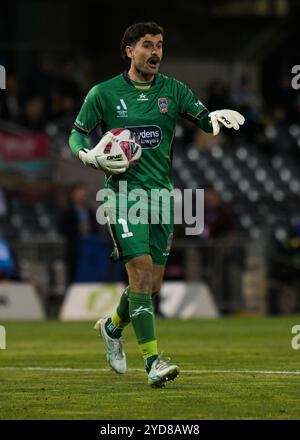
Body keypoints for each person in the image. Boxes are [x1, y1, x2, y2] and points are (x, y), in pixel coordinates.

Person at [69, 22, 244, 387]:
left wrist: (214, 120)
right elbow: (76, 133)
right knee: (142, 276)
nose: (155, 52)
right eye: (147, 45)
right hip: (124, 197)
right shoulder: (103, 93)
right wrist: (86, 156)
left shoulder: (174, 90)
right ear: (129, 50)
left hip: (162, 197)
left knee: (152, 285)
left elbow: (204, 120)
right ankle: (152, 363)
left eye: (160, 45)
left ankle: (113, 328)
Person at [59, 182, 99, 284]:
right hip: (74, 248)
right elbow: (62, 229)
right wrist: (78, 228)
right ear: (73, 194)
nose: (82, 195)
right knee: (74, 274)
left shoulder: (90, 211)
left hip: (90, 248)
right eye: (79, 192)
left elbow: (97, 229)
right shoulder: (67, 212)